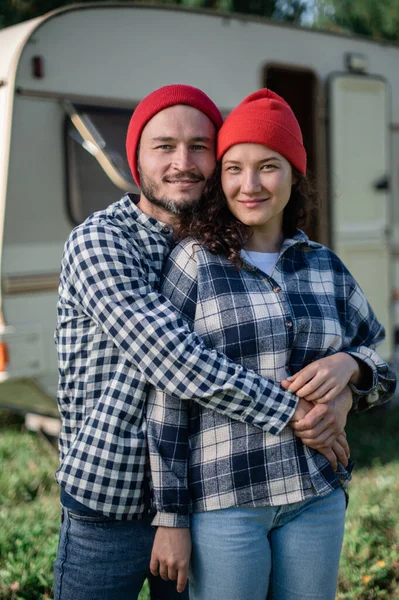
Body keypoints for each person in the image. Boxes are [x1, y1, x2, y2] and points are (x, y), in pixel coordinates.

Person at [53, 84, 353, 600]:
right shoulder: (101, 241)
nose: (183, 162)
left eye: (200, 147)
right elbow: (175, 361)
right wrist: (302, 413)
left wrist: (349, 380)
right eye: (164, 146)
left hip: (208, 496)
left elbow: (313, 344)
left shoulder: (230, 248)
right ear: (136, 159)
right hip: (114, 498)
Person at [146, 88, 397, 600]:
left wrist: (350, 371)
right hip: (227, 502)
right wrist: (170, 517)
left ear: (294, 174)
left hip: (316, 495)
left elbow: (383, 365)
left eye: (269, 166)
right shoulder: (195, 263)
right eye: (234, 167)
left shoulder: (323, 265)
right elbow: (167, 396)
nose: (250, 184)